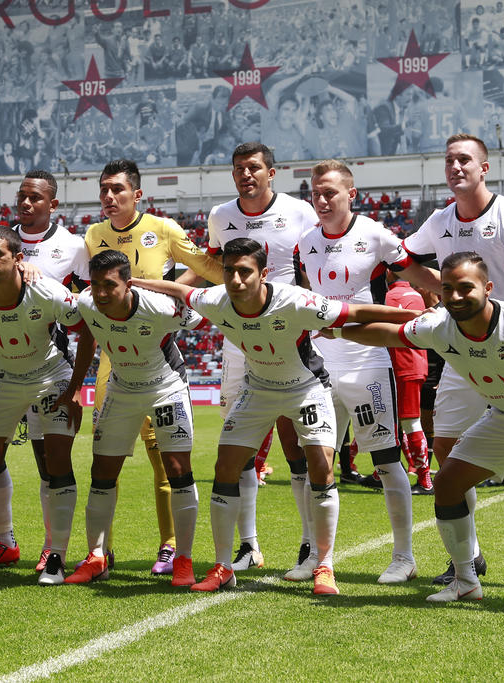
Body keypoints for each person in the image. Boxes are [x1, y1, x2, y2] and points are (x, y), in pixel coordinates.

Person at [134, 238, 418, 595]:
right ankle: (223, 565)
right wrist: (137, 283)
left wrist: (413, 317)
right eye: (229, 271)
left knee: (321, 466)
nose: (236, 280)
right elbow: (178, 289)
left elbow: (357, 313)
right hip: (259, 389)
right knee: (226, 467)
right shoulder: (216, 298)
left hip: (306, 388)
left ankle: (324, 566)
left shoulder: (295, 301)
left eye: (244, 271)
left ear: (263, 274)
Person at [330, 252, 504, 616]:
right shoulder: (439, 325)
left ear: (487, 288)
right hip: (503, 416)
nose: (455, 297)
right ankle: (467, 583)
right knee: (449, 483)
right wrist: (334, 331)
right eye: (448, 288)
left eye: (465, 288)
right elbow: (389, 333)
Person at [392, 133, 504, 593]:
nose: (456, 166)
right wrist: (439, 295)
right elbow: (402, 261)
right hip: (463, 353)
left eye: (465, 159)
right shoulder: (439, 221)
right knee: (446, 449)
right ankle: (470, 558)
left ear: (484, 168)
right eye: (449, 160)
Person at [295, 159, 437, 584]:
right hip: (320, 363)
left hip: (368, 361)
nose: (321, 200)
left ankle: (404, 556)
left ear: (350, 194)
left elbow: (412, 273)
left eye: (330, 193)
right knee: (314, 462)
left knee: (387, 459)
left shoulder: (375, 235)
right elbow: (309, 293)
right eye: (316, 193)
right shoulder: (306, 241)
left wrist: (451, 293)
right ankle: (314, 556)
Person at [82, 159, 222, 574]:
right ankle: (100, 551)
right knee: (106, 455)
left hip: (158, 355)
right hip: (113, 361)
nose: (109, 197)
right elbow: (79, 284)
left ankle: (172, 546)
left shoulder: (164, 230)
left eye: (118, 190)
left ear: (137, 194)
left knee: (164, 456)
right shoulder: (92, 235)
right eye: (104, 190)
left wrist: (172, 293)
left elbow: (210, 271)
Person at [196, 141, 318, 577]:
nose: (245, 175)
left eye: (253, 168)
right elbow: (213, 266)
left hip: (288, 335)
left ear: (271, 172)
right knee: (239, 445)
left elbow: (311, 266)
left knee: (297, 444)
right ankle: (248, 546)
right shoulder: (220, 216)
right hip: (237, 337)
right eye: (238, 168)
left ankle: (309, 544)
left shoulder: (301, 212)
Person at [0, 225, 86, 586]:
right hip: (5, 377)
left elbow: (86, 330)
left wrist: (73, 389)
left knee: (56, 462)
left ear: (18, 259)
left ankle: (56, 556)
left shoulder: (47, 291)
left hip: (50, 375)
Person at [58, 250, 204, 587]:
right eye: (96, 284)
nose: (102, 292)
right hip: (122, 389)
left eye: (110, 285)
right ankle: (97, 557)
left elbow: (198, 315)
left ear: (128, 284)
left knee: (178, 470)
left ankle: (183, 558)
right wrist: (76, 385)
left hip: (165, 387)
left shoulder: (159, 306)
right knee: (102, 470)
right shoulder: (87, 302)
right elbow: (88, 335)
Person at [10, 170, 90, 572]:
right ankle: (3, 542)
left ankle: (51, 546)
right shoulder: (2, 241)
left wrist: (54, 290)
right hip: (2, 366)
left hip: (49, 364)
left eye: (35, 198)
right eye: (22, 196)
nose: (26, 203)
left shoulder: (72, 246)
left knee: (48, 458)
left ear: (52, 204)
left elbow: (90, 303)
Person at [384, 270, 433, 494]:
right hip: (416, 363)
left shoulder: (388, 298)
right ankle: (399, 470)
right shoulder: (417, 295)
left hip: (401, 366)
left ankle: (424, 479)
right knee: (396, 420)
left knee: (409, 422)